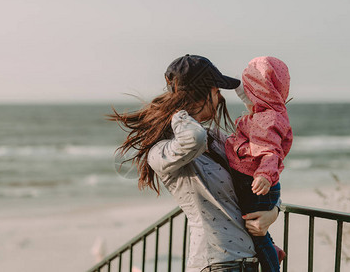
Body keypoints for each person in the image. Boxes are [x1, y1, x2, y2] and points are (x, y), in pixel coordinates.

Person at [108, 54, 280, 272]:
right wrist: (180, 110)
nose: (220, 99)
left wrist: (273, 211)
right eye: (216, 91)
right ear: (199, 95)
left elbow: (255, 170)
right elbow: (193, 139)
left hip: (249, 261)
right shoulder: (162, 152)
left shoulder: (215, 139)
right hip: (216, 264)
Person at [225, 56, 293, 272]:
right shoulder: (263, 115)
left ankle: (273, 265)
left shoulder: (269, 119)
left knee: (257, 237)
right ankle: (274, 249)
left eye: (250, 91)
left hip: (258, 185)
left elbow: (271, 151)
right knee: (256, 232)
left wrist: (263, 175)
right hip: (255, 185)